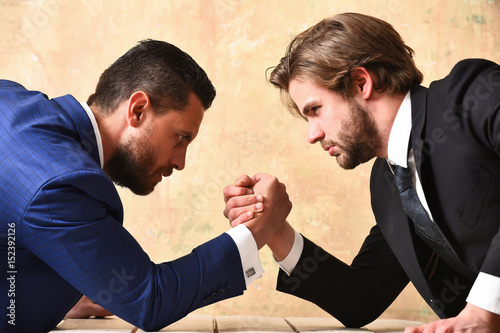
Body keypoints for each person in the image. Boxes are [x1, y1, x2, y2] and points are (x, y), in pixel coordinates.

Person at [223, 13, 500, 332]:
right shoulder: (387, 184)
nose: (312, 135)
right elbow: (363, 298)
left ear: (361, 83)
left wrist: (482, 313)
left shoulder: (472, 93)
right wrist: (274, 227)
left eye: (315, 110)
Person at [0, 39, 292, 333]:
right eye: (180, 137)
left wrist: (59, 294)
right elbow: (150, 299)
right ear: (138, 110)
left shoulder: (8, 96)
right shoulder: (61, 183)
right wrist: (257, 229)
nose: (180, 162)